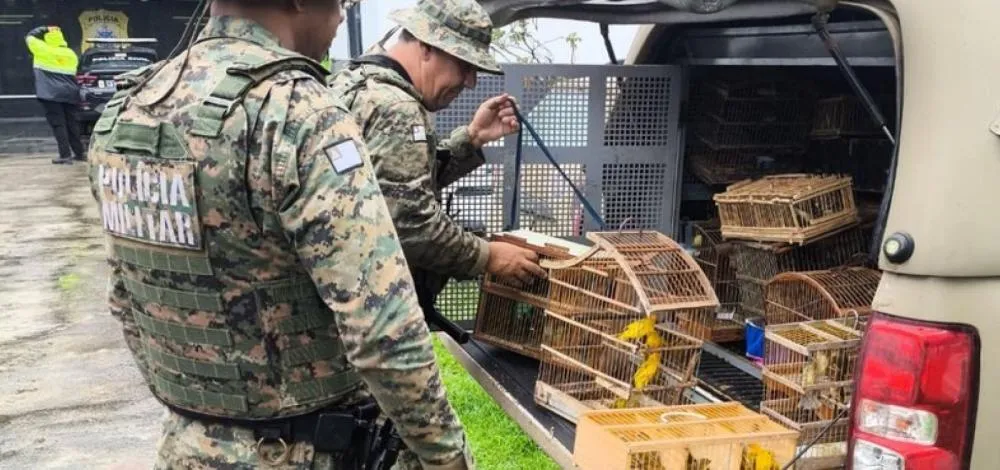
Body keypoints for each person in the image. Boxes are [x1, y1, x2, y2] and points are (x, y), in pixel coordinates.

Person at [85, 0, 473, 468]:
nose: (339, 18)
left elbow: (125, 297)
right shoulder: (299, 113)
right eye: (339, 3)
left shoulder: (130, 108)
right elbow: (382, 327)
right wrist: (447, 456)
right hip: (300, 450)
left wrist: (205, 414)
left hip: (185, 448)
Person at [328, 0, 547, 327]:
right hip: (372, 316)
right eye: (464, 65)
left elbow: (387, 188)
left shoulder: (355, 84)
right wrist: (488, 256)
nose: (471, 81)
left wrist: (472, 137)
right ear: (427, 46)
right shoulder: (396, 108)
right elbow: (409, 223)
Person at [24, 25, 85, 165]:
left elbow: (29, 36)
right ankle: (80, 153)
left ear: (46, 38)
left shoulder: (42, 49)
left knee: (59, 124)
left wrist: (45, 28)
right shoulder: (70, 54)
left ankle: (65, 155)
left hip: (51, 95)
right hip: (70, 93)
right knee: (72, 124)